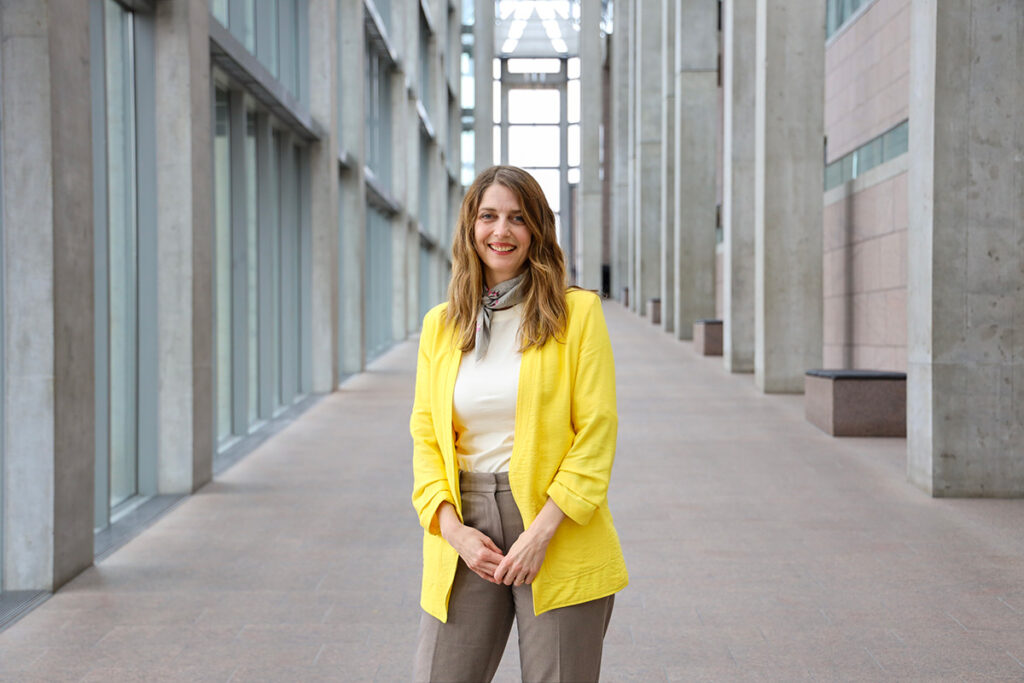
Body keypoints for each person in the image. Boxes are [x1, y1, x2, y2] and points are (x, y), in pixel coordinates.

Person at [410, 165, 628, 682]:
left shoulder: (577, 314)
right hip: (466, 523)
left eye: (517, 218)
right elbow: (425, 437)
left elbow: (597, 430)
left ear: (537, 230)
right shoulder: (441, 327)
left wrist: (542, 532)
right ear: (471, 226)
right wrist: (453, 530)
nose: (501, 231)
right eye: (488, 216)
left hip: (557, 524)